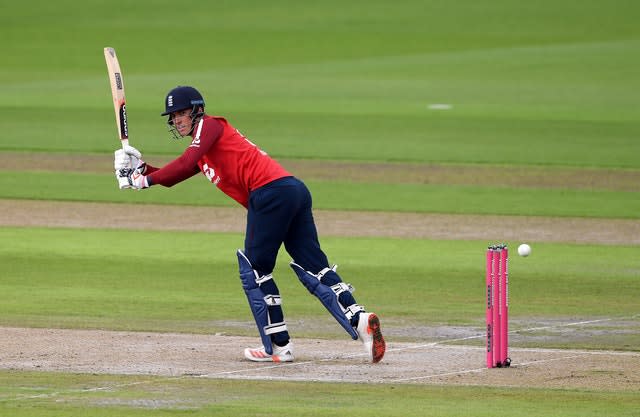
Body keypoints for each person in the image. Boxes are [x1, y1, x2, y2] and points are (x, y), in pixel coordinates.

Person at [113, 86, 385, 363]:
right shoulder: (204, 149)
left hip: (269, 194)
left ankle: (279, 347)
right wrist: (141, 168)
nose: (176, 120)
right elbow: (172, 176)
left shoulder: (210, 125)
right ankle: (360, 320)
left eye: (181, 113)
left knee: (254, 271)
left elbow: (186, 162)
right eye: (172, 116)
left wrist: (141, 180)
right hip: (291, 191)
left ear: (197, 110)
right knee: (314, 266)